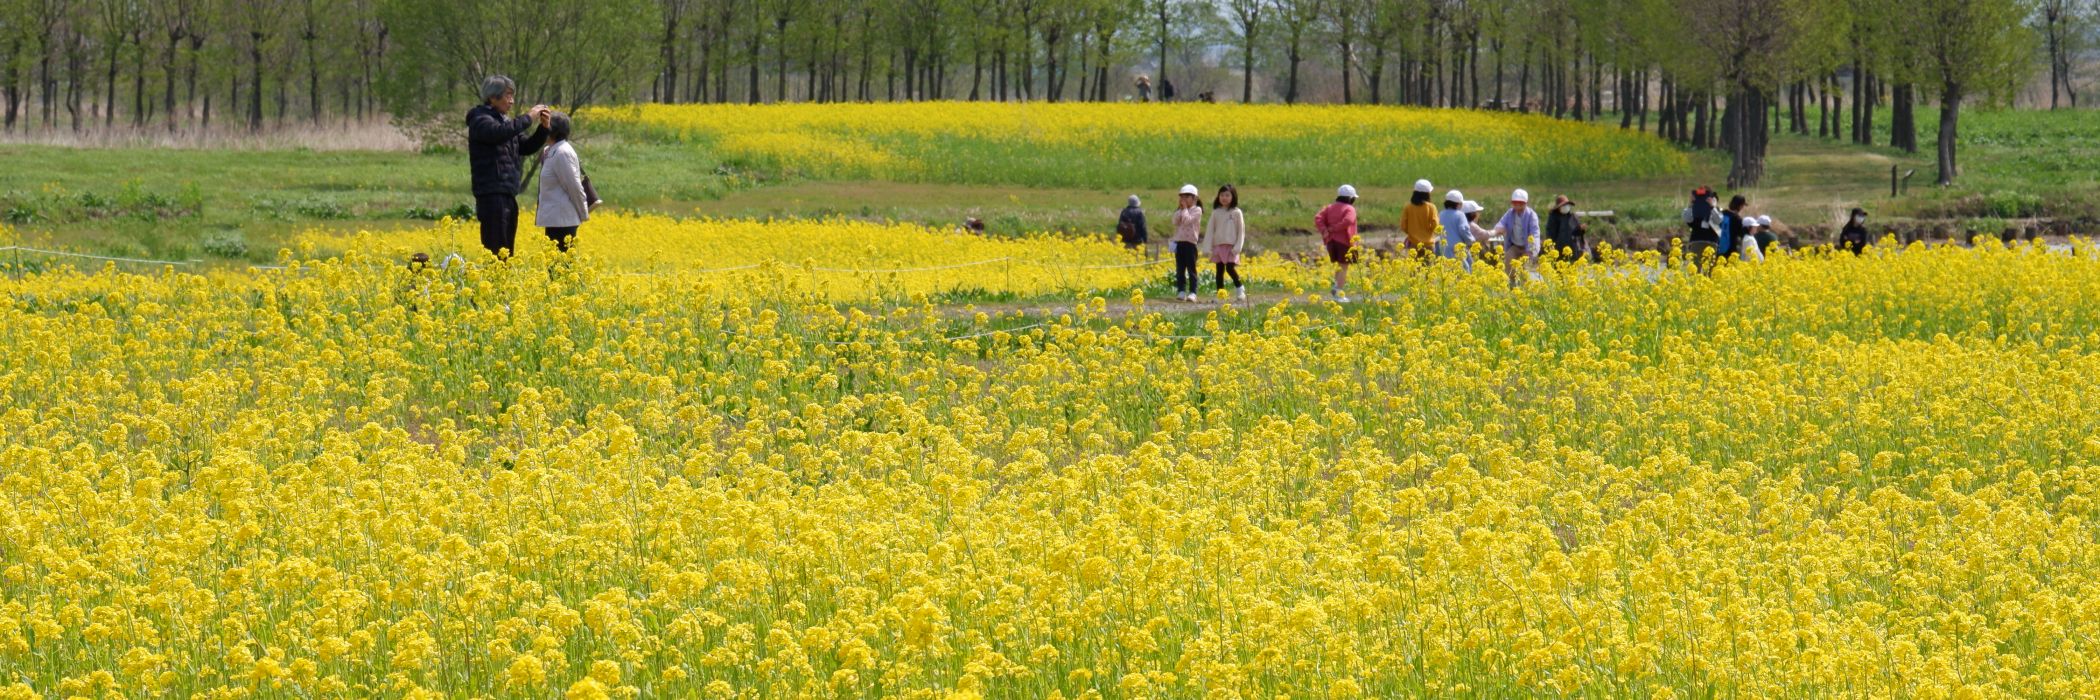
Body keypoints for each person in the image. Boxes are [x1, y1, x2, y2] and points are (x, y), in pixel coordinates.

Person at [466, 75, 551, 260]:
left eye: (512, 96)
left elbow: (525, 147)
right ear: (493, 97)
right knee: (497, 251)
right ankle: (496, 279)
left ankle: (503, 278)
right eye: (508, 96)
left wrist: (543, 129)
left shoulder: (504, 121)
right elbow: (498, 134)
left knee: (507, 251)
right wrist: (528, 118)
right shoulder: (480, 120)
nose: (512, 101)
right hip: (492, 193)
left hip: (507, 192)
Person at [534, 112, 597, 253]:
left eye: (544, 126)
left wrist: (583, 213)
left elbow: (574, 186)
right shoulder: (551, 151)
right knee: (554, 264)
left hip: (563, 221)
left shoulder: (562, 153)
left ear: (553, 131)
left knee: (562, 263)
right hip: (554, 220)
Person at [1316, 185, 1361, 302]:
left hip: (1331, 242)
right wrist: (1334, 228)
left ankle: (1336, 288)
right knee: (1344, 267)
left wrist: (1325, 230)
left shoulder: (1329, 208)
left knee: (1339, 266)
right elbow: (1348, 220)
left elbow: (1318, 218)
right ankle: (1338, 292)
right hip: (1345, 242)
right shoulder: (1349, 209)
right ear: (1350, 198)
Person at [1205, 184, 1247, 300]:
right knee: (1219, 271)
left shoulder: (1237, 212)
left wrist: (1238, 247)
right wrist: (1207, 247)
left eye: (1227, 195)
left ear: (1233, 197)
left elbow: (1241, 231)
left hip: (1231, 247)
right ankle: (1220, 294)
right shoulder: (1216, 212)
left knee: (1229, 268)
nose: (1224, 198)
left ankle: (1240, 288)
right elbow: (1210, 230)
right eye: (1222, 195)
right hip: (1218, 246)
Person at [1494, 188, 1541, 286]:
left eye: (1521, 203)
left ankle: (1525, 288)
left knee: (1525, 271)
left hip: (1527, 248)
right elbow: (1501, 223)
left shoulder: (1531, 215)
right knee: (1509, 262)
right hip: (1515, 246)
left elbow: (1535, 233)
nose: (1518, 205)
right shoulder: (1510, 213)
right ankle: (1511, 286)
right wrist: (1497, 230)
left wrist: (1531, 250)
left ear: (1526, 203)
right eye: (1515, 203)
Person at [1171, 184, 1204, 302]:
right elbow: (1175, 221)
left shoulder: (1197, 210)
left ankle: (1193, 292)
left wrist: (1184, 209)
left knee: (1191, 269)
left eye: (1186, 197)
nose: (1183, 199)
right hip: (1179, 243)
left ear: (1194, 198)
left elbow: (1187, 221)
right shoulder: (1181, 210)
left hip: (1190, 244)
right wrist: (1181, 209)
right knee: (1180, 269)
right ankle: (1181, 291)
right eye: (1182, 197)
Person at [1682, 186, 1723, 265]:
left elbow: (1718, 220)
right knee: (1695, 268)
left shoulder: (1716, 209)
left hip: (1711, 242)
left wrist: (1712, 207)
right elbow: (1687, 219)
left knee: (1710, 268)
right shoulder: (1693, 208)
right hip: (1696, 241)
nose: (1702, 199)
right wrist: (1691, 205)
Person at [1402, 179, 1439, 260]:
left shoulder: (1408, 207)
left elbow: (1403, 226)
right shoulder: (1431, 207)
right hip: (1428, 244)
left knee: (1414, 267)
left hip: (1413, 244)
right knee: (1428, 267)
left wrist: (1412, 233)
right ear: (1427, 194)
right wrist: (1428, 232)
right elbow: (1435, 225)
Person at [1544, 195, 1588, 263]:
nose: (1566, 207)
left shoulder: (1573, 217)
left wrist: (1581, 229)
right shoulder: (1553, 218)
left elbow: (1576, 234)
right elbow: (1550, 235)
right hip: (1559, 252)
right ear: (1558, 207)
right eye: (1564, 205)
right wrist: (1551, 249)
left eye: (1567, 205)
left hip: (1573, 252)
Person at [1437, 189, 1474, 267]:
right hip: (1457, 247)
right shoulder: (1460, 214)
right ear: (1458, 204)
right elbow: (1464, 229)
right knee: (1466, 268)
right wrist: (1470, 241)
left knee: (1447, 268)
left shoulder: (1441, 214)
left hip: (1443, 247)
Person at [1720, 194, 1749, 259]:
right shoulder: (1737, 219)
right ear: (1740, 206)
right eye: (1743, 206)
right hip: (1731, 251)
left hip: (1719, 248)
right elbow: (1743, 235)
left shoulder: (1722, 213)